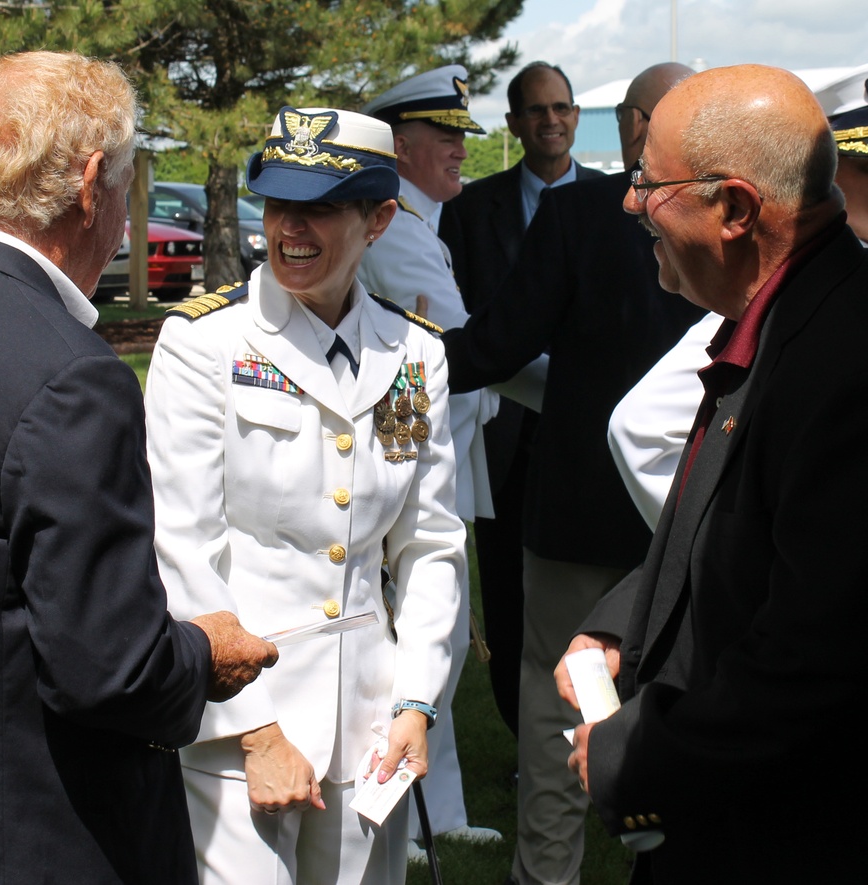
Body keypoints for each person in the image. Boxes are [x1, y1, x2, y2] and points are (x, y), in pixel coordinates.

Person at [0, 51, 277, 885]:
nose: (124, 214)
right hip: (35, 835)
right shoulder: (73, 375)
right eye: (127, 188)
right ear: (93, 184)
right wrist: (204, 654)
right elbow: (109, 669)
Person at [556, 64, 868, 885]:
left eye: (649, 184)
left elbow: (816, 657)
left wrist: (629, 755)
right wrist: (626, 618)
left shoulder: (842, 364)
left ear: (734, 208)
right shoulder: (789, 318)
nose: (630, 204)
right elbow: (734, 514)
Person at [144, 106, 465, 885]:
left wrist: (417, 700)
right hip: (238, 720)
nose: (290, 227)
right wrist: (252, 731)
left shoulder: (413, 352)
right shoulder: (204, 344)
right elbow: (177, 547)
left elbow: (430, 545)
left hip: (369, 723)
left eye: (318, 207)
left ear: (379, 218)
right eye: (278, 202)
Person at [440, 62, 701, 885]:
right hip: (688, 511)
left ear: (629, 125)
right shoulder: (732, 214)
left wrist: (396, 355)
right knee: (681, 698)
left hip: (581, 513)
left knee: (558, 696)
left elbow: (497, 343)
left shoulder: (576, 212)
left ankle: (547, 872)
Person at [607, 96, 868, 530]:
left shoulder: (818, 301)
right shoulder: (790, 293)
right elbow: (642, 429)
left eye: (651, 183)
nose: (634, 202)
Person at [439, 61, 605, 737]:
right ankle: (522, 735)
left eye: (562, 107)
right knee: (507, 590)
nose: (551, 120)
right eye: (536, 110)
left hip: (588, 431)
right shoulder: (472, 211)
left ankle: (597, 727)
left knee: (593, 589)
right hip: (506, 430)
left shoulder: (610, 200)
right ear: (514, 123)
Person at [359, 63, 502, 850]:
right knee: (416, 639)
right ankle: (405, 815)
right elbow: (468, 358)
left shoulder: (419, 229)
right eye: (444, 137)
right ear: (403, 146)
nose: (458, 150)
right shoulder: (404, 234)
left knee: (435, 639)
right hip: (405, 451)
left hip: (428, 444)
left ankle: (435, 813)